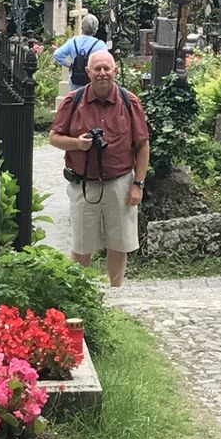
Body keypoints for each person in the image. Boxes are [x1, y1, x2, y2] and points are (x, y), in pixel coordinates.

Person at [49, 50, 149, 287]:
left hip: (120, 182)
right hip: (84, 183)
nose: (102, 73)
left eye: (107, 68)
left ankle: (116, 291)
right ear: (88, 73)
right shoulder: (73, 101)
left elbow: (142, 145)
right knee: (82, 245)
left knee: (119, 243)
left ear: (115, 71)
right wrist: (77, 144)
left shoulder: (129, 101)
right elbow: (54, 137)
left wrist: (138, 184)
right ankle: (80, 293)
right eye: (97, 69)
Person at [53, 14, 108, 89]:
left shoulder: (73, 41)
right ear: (96, 28)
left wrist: (70, 66)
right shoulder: (100, 45)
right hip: (92, 81)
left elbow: (57, 55)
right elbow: (106, 62)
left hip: (75, 81)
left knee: (75, 99)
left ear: (82, 27)